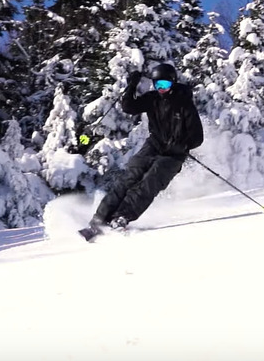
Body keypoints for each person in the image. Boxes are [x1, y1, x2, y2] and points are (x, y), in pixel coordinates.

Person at [79, 63, 204, 241]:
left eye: (165, 85)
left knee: (150, 182)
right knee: (129, 177)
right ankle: (99, 219)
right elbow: (129, 107)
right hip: (154, 144)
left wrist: (181, 146)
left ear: (173, 83)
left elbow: (197, 138)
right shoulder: (153, 99)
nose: (161, 89)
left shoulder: (184, 104)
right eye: (158, 85)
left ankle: (121, 217)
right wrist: (132, 85)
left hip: (174, 153)